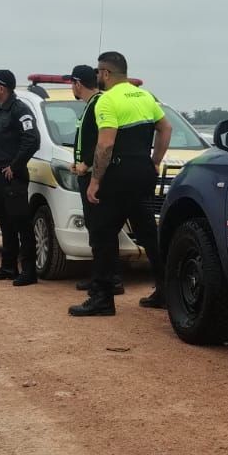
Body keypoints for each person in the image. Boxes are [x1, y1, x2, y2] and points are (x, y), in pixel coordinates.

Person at [69, 51, 171, 317]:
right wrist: (155, 160)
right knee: (149, 234)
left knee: (102, 234)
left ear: (105, 73)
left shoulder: (107, 101)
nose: (97, 77)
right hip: (143, 173)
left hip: (116, 176)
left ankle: (102, 297)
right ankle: (167, 290)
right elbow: (166, 128)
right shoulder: (145, 96)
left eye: (99, 73)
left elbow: (105, 144)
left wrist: (94, 181)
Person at [0, 69, 40, 287]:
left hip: (12, 177)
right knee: (5, 222)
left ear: (2, 88)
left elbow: (32, 139)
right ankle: (8, 266)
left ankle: (29, 271)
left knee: (21, 223)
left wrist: (15, 165)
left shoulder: (19, 110)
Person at [68, 63, 123, 297]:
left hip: (94, 176)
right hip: (85, 174)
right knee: (95, 228)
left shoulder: (99, 104)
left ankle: (111, 279)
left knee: (102, 230)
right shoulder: (90, 105)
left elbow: (103, 142)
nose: (72, 87)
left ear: (78, 83)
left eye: (72, 83)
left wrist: (87, 165)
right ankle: (99, 276)